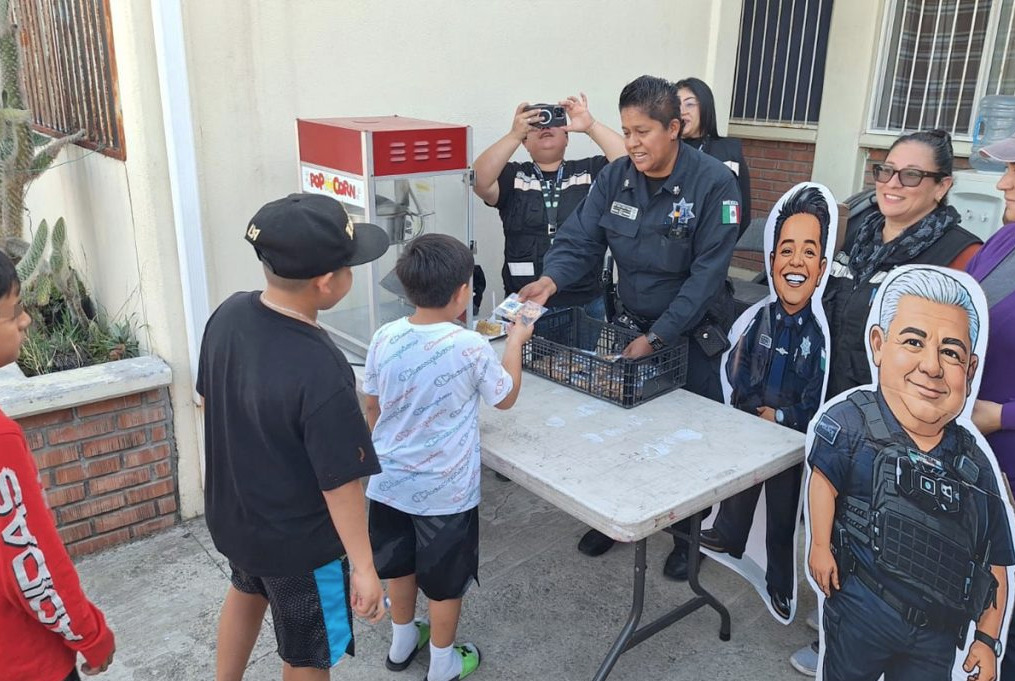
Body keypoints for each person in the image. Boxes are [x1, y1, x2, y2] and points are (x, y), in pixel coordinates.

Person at [519, 75, 743, 579]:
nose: (633, 143)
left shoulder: (714, 184)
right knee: (619, 432)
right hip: (628, 327)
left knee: (687, 440)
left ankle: (686, 536)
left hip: (689, 335)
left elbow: (706, 277)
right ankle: (616, 519)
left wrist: (657, 338)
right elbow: (580, 238)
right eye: (626, 131)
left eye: (643, 131)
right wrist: (551, 280)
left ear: (674, 128)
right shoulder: (616, 177)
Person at [790, 128, 984, 675]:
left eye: (911, 175)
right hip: (837, 403)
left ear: (942, 186)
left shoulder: (960, 254)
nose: (892, 183)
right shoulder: (859, 230)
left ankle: (854, 641)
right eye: (886, 169)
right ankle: (832, 623)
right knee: (830, 520)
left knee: (879, 535)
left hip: (901, 424)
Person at [198, 194, 390, 681]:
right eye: (349, 266)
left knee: (247, 589)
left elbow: (209, 401)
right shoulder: (321, 366)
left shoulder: (228, 315)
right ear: (325, 282)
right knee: (309, 652)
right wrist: (364, 567)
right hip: (301, 544)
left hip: (239, 519)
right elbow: (341, 482)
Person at [806, 267, 1014, 681]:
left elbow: (995, 563)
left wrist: (986, 641)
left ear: (971, 369)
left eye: (951, 353)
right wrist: (820, 546)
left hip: (936, 639)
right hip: (862, 608)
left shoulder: (975, 464)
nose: (931, 366)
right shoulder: (850, 422)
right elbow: (824, 479)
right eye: (914, 342)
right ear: (878, 344)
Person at [362, 233, 533, 681]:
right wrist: (516, 341)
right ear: (463, 293)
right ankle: (443, 664)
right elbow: (505, 398)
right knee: (444, 583)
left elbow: (372, 406)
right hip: (446, 492)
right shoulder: (469, 345)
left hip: (388, 481)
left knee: (398, 566)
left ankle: (402, 643)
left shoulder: (384, 336)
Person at [700, 185, 830, 620]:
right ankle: (729, 535)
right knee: (741, 485)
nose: (795, 262)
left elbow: (815, 392)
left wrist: (784, 416)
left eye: (808, 252)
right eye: (786, 250)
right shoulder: (760, 318)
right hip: (752, 419)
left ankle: (778, 581)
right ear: (772, 260)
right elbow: (738, 364)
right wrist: (748, 403)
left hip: (790, 437)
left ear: (821, 267)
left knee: (781, 510)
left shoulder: (818, 336)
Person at [0, 252, 116, 681]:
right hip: (29, 664)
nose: (26, 320)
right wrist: (91, 635)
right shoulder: (2, 442)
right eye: (14, 310)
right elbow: (31, 564)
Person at [473, 93, 626, 318]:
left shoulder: (589, 171)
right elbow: (477, 179)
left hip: (584, 302)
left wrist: (590, 126)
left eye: (553, 120)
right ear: (525, 142)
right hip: (525, 300)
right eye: (535, 124)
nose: (545, 126)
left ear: (567, 137)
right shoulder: (514, 176)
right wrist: (513, 135)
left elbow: (631, 164)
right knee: (521, 345)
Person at [968, 134, 1015, 681]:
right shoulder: (1004, 238)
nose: (1003, 183)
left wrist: (1001, 416)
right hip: (980, 462)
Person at [676, 77, 752, 237]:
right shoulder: (666, 150)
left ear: (705, 107)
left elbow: (741, 210)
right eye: (676, 104)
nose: (682, 111)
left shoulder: (727, 151)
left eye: (690, 104)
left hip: (714, 243)